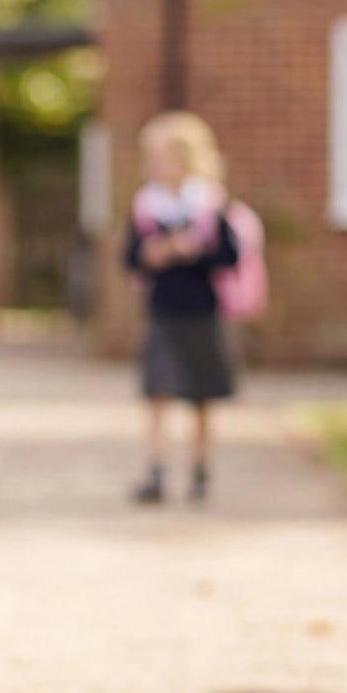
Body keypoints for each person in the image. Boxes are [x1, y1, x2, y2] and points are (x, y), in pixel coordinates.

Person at [123, 111, 240, 504]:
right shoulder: (147, 208)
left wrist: (196, 252)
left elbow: (230, 256)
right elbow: (128, 257)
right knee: (157, 392)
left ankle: (201, 468)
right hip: (163, 310)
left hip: (201, 311)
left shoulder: (208, 206)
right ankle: (155, 469)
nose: (153, 165)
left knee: (201, 396)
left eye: (161, 157)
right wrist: (151, 255)